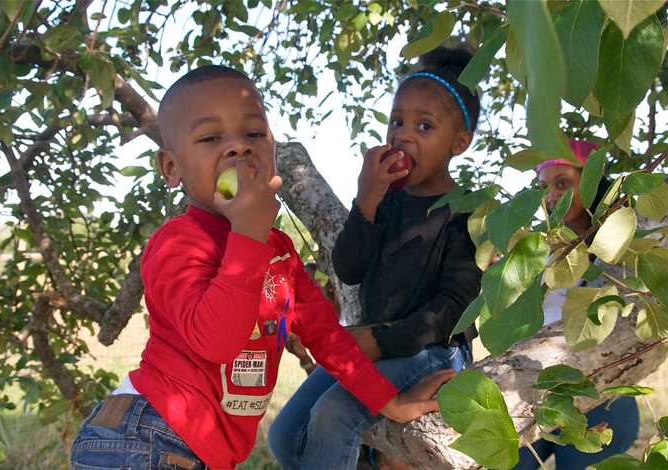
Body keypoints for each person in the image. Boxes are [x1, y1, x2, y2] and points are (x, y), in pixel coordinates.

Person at [69, 65, 457, 470]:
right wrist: (248, 235)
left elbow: (327, 338)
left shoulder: (278, 252)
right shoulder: (178, 244)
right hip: (145, 435)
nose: (238, 148)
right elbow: (216, 340)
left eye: (254, 133)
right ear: (172, 167)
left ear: (273, 149)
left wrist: (390, 402)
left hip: (187, 448)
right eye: (211, 137)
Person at [268, 46, 483, 470]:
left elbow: (451, 310)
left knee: (334, 414)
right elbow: (349, 269)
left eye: (424, 125)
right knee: (283, 435)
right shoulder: (385, 199)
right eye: (397, 121)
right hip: (374, 346)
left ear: (460, 142)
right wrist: (366, 198)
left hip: (435, 351)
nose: (403, 135)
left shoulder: (467, 212)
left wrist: (373, 340)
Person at [514, 139, 640, 469]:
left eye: (562, 183)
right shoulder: (538, 252)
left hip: (601, 399)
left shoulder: (623, 250)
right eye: (545, 187)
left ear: (591, 182)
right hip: (534, 394)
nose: (552, 196)